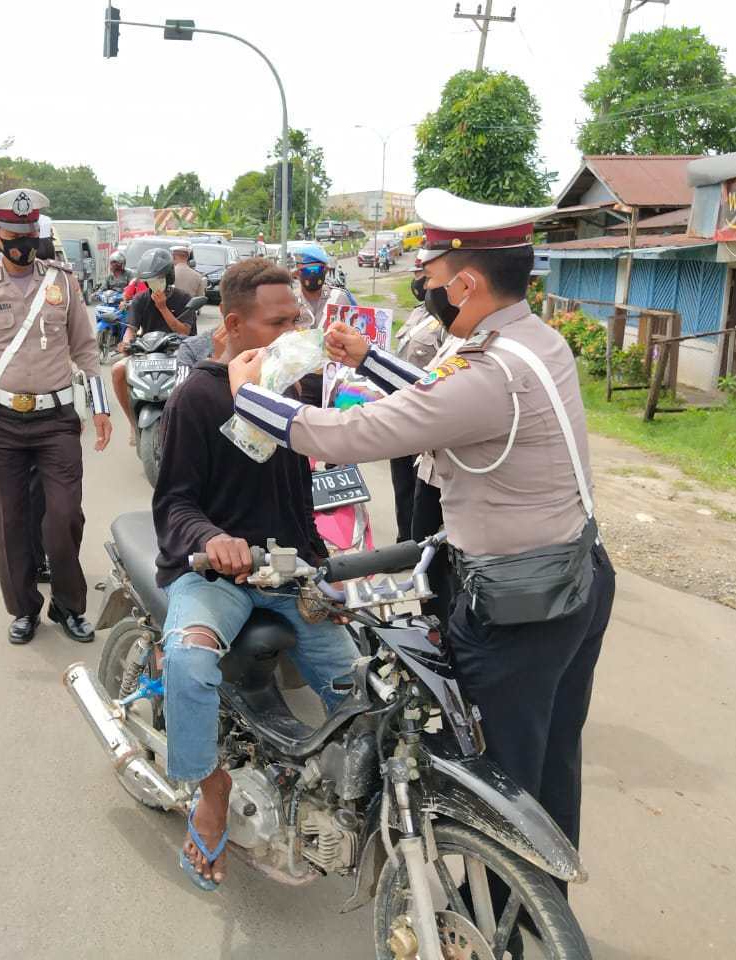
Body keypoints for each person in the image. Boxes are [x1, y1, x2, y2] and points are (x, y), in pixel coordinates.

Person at [228, 187, 617, 872]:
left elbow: (359, 432)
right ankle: (541, 907)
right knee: (552, 758)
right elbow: (447, 401)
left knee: (496, 775)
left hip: (517, 601)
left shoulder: (487, 368)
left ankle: (496, 912)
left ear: (467, 283)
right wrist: (369, 359)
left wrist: (251, 399)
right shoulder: (532, 341)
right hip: (575, 576)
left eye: (433, 282)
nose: (428, 292)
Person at [152, 257, 359, 890]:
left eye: (298, 318)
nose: (296, 331)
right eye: (280, 322)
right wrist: (215, 540)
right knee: (188, 663)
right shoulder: (198, 395)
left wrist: (326, 574)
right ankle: (210, 791)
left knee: (360, 684)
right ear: (236, 325)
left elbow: (301, 497)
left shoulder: (294, 390)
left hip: (291, 574)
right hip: (215, 578)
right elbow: (175, 502)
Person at [0, 187, 112, 645]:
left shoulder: (63, 282)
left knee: (63, 517)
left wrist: (99, 407)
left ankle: (68, 606)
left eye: (30, 232)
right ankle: (23, 609)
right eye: (14, 234)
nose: (23, 241)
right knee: (10, 522)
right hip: (1, 423)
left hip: (56, 420)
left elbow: (85, 348)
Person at [389, 250, 447, 543]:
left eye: (422, 276)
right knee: (401, 482)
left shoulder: (448, 323)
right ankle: (403, 542)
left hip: (424, 414)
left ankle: (417, 546)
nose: (417, 282)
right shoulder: (416, 314)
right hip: (399, 408)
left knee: (420, 484)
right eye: (414, 276)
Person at [111, 246, 192, 443]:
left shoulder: (184, 299)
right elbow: (131, 328)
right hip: (147, 352)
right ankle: (132, 422)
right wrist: (126, 343)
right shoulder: (140, 299)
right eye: (150, 280)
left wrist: (163, 308)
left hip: (179, 352)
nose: (154, 283)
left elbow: (184, 331)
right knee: (117, 370)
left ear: (169, 276)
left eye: (159, 278)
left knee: (198, 383)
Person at [294, 244, 354, 331]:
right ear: (297, 273)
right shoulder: (290, 302)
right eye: (307, 271)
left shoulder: (339, 299)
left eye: (316, 270)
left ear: (326, 271)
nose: (312, 275)